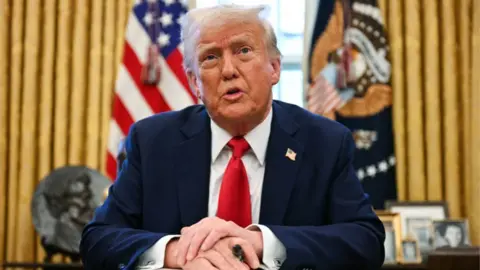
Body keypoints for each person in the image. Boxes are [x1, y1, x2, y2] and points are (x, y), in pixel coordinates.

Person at [80, 4, 385, 270]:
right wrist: (176, 252)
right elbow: (98, 240)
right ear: (195, 84)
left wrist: (260, 241)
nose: (228, 70)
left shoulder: (325, 141)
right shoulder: (152, 142)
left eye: (243, 51)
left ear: (274, 68)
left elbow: (366, 241)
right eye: (210, 58)